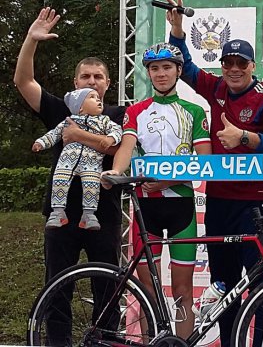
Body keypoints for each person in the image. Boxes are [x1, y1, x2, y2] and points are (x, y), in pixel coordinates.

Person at [164, 0, 263, 347]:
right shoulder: (218, 88)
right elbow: (187, 68)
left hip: (256, 207)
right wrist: (178, 31)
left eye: (241, 63)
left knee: (262, 284)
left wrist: (246, 138)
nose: (234, 69)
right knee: (225, 285)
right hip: (219, 203)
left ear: (252, 66)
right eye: (228, 63)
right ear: (222, 65)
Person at [14, 7, 125, 344]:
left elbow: (116, 147)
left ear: (108, 83)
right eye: (85, 77)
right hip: (60, 216)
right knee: (57, 289)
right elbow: (23, 82)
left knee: (108, 291)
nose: (92, 81)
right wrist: (31, 40)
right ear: (75, 82)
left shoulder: (119, 115)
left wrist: (78, 136)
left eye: (98, 77)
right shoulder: (61, 110)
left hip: (104, 214)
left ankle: (104, 342)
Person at [101, 42, 211, 339]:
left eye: (166, 67)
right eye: (154, 68)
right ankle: (151, 342)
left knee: (183, 290)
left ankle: (182, 343)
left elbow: (206, 162)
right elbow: (126, 147)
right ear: (148, 73)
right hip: (145, 207)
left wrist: (167, 181)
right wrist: (116, 171)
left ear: (178, 71)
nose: (161, 74)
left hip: (181, 208)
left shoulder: (194, 111)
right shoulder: (136, 111)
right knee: (147, 289)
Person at [33, 87, 122, 230]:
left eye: (98, 97)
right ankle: (58, 212)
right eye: (92, 97)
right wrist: (41, 143)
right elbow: (54, 134)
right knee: (59, 180)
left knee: (92, 185)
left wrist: (111, 138)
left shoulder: (104, 121)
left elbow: (118, 130)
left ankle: (89, 215)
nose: (98, 100)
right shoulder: (69, 121)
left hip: (92, 161)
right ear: (79, 107)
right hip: (67, 159)